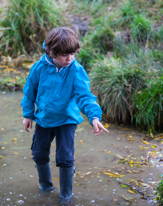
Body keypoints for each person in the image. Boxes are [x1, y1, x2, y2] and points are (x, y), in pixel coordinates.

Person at [21, 27, 109, 204]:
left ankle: (66, 196)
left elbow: (85, 96)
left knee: (65, 158)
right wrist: (28, 114)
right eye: (63, 55)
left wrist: (94, 117)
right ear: (51, 52)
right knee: (38, 154)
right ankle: (45, 188)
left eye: (72, 54)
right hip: (44, 118)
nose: (69, 58)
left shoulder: (75, 69)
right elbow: (29, 92)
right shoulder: (39, 68)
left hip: (67, 120)